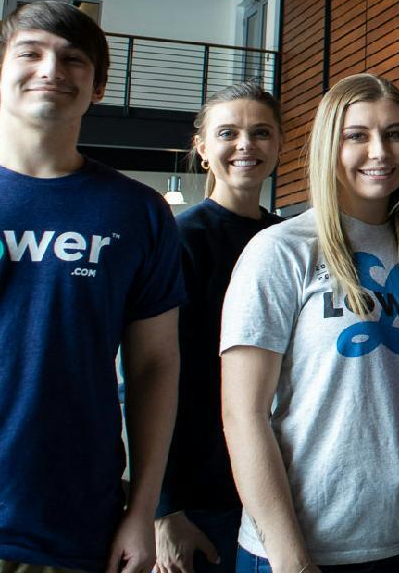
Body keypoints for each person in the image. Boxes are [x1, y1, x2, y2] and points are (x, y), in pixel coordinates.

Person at [0, 1, 184, 573]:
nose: (52, 69)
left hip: (77, 529)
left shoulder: (137, 211)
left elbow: (154, 368)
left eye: (73, 59)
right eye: (31, 53)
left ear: (96, 87)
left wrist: (143, 509)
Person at [221, 73, 399, 573]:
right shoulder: (280, 251)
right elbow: (242, 416)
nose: (380, 151)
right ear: (330, 145)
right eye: (358, 135)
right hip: (308, 549)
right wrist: (289, 555)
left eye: (395, 133)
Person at [157, 83, 285, 573]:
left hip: (276, 475)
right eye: (228, 133)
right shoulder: (182, 241)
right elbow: (157, 374)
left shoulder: (285, 239)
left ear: (278, 144)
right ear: (203, 148)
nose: (246, 145)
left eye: (260, 133)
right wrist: (164, 509)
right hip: (203, 488)